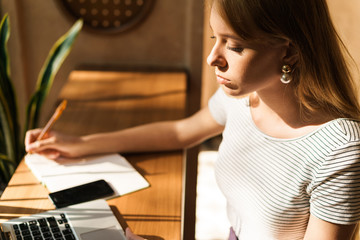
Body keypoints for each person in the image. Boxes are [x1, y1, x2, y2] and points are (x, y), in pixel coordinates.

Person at [25, 0, 360, 239]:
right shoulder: (244, 98)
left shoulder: (339, 150)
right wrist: (81, 144)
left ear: (288, 50)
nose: (213, 58)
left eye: (236, 46)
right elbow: (180, 132)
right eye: (216, 38)